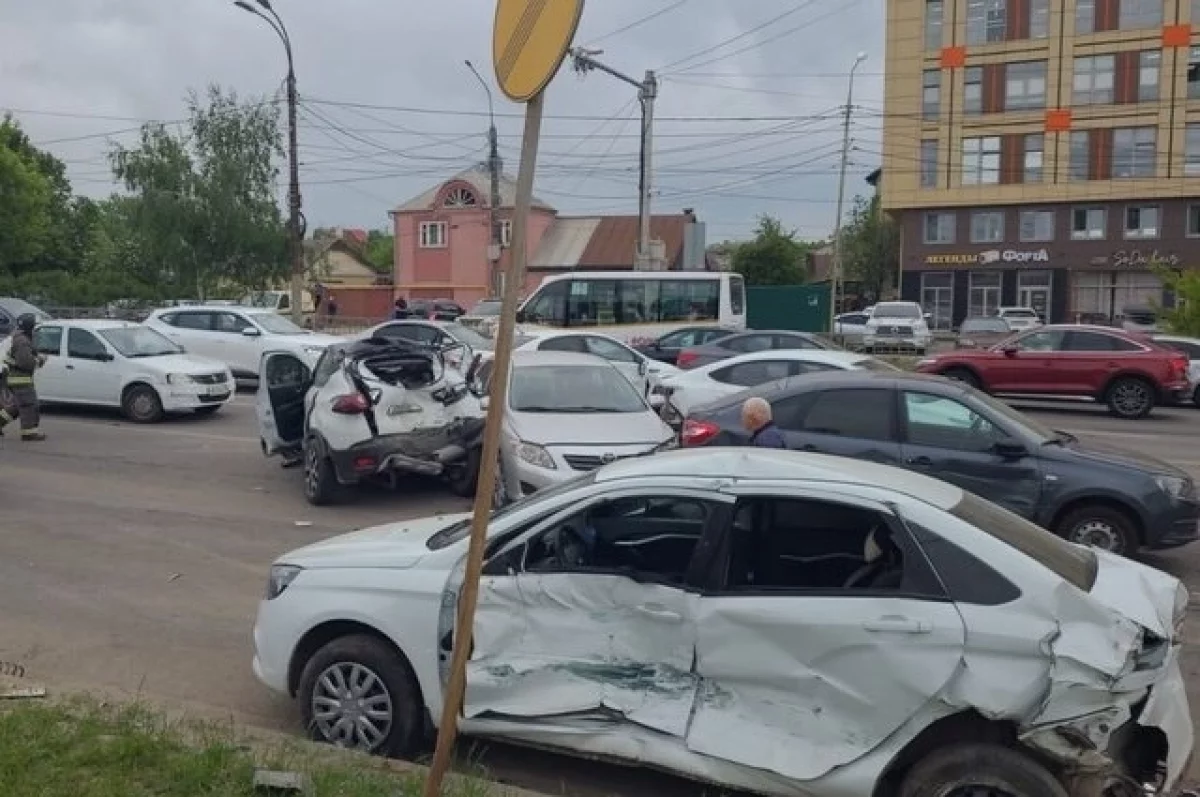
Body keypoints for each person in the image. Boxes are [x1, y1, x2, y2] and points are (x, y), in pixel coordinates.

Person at [1, 314, 47, 441]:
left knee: (16, 406)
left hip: (16, 379)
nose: (36, 330)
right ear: (29, 327)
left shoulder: (22, 339)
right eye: (35, 327)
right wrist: (40, 360)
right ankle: (29, 433)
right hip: (20, 380)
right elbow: (25, 363)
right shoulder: (22, 341)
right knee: (30, 405)